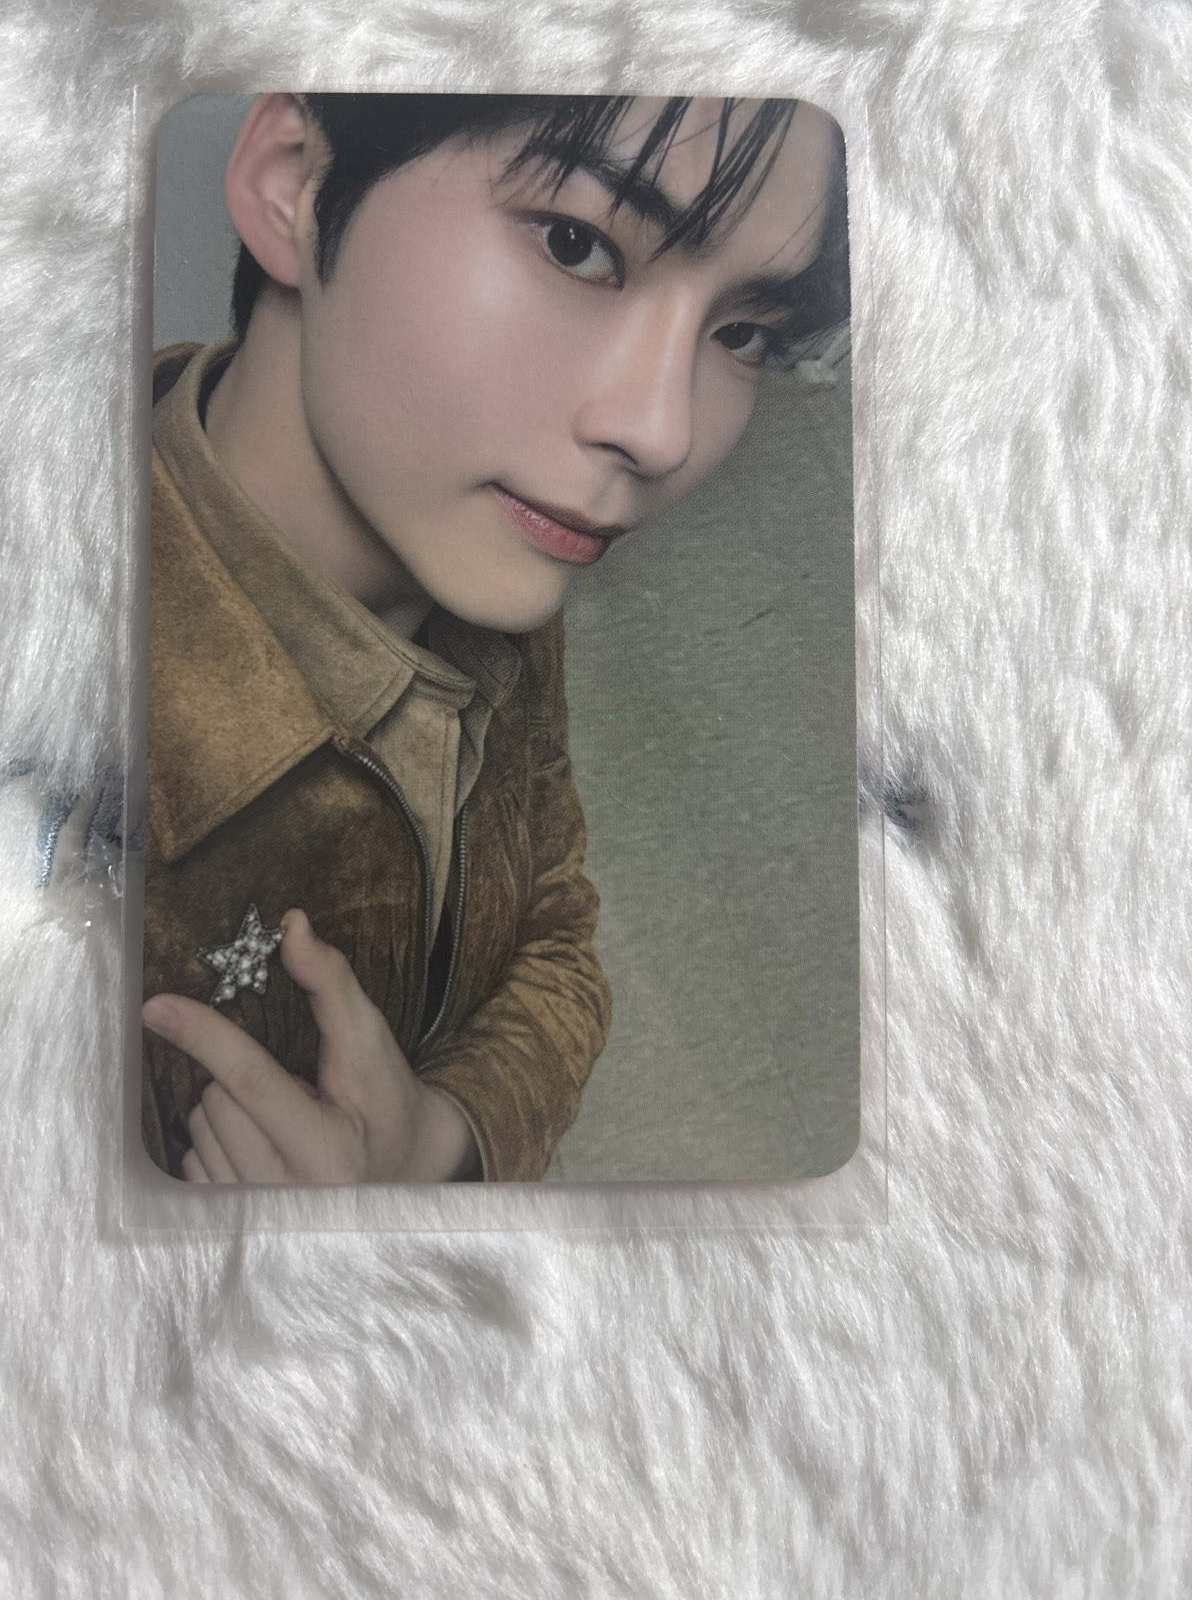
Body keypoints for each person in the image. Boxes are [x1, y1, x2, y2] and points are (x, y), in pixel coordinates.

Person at [139, 91, 848, 1185]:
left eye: (742, 332)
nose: (662, 432)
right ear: (293, 184)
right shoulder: (36, 711)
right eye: (577, 245)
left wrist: (440, 1137)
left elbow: (553, 938)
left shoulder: (486, 552)